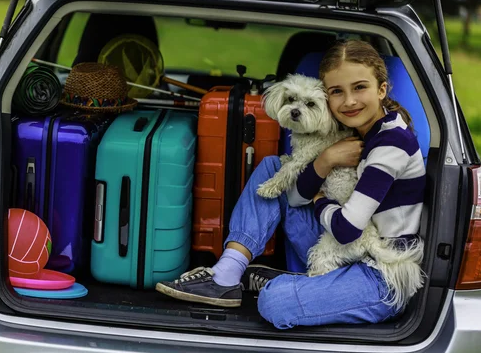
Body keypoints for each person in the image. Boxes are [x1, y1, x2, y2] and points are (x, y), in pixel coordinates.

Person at [155, 40, 426, 329]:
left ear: (381, 89)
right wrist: (326, 159)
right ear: (327, 98)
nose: (349, 101)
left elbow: (347, 230)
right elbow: (295, 199)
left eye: (359, 87)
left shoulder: (392, 143)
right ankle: (226, 275)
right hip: (339, 246)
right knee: (274, 167)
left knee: (273, 301)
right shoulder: (351, 133)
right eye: (337, 91)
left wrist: (321, 199)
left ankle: (296, 286)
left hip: (379, 276)